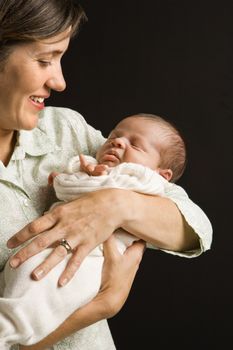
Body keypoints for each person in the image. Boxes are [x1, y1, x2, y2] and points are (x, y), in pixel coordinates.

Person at [0, 1, 212, 350]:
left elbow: (195, 227)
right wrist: (100, 307)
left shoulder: (65, 130)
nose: (60, 81)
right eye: (44, 60)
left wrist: (113, 204)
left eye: (60, 58)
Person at [0, 113, 192, 347]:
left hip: (93, 260)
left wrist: (80, 182)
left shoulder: (145, 181)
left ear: (162, 174)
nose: (118, 142)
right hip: (58, 254)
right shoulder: (104, 170)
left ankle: (10, 329)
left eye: (135, 144)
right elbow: (73, 190)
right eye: (114, 136)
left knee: (47, 289)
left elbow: (196, 223)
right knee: (26, 277)